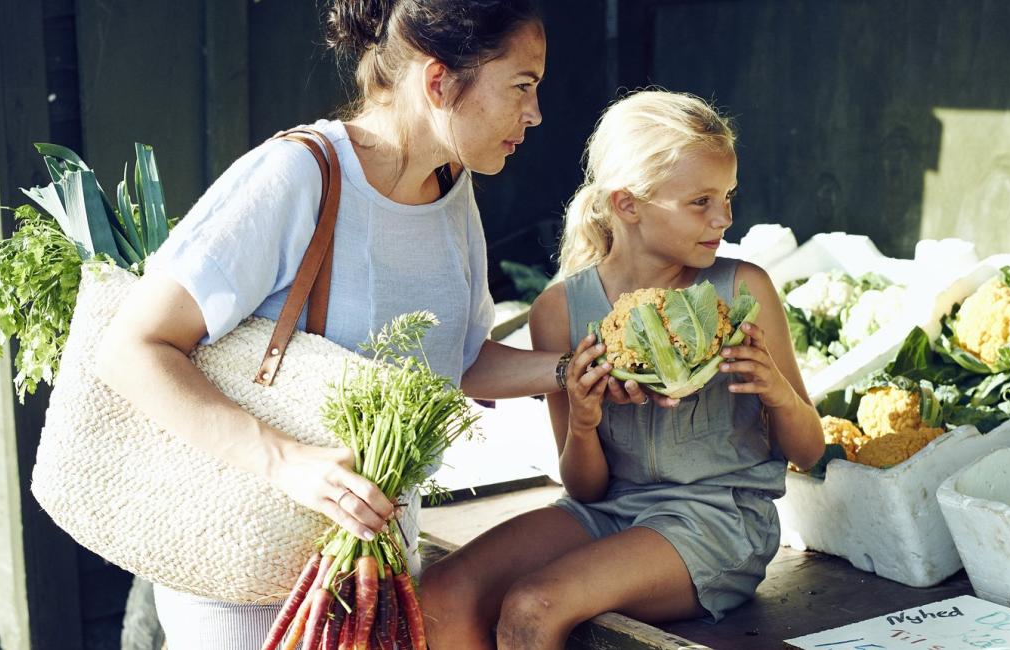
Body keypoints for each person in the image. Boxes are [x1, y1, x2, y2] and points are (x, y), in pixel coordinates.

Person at [91, 1, 649, 647]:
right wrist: (289, 464)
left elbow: (456, 362)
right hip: (251, 571)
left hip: (373, 564)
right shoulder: (296, 175)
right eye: (522, 85)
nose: (536, 113)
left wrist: (572, 370)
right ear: (439, 81)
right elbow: (132, 348)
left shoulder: (451, 193)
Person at [419, 90, 826, 650]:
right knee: (439, 592)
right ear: (628, 204)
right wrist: (583, 422)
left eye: (727, 197)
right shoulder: (560, 310)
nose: (724, 218)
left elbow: (810, 453)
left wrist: (776, 393)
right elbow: (585, 490)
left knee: (534, 606)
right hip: (606, 513)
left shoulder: (742, 287)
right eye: (700, 201)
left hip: (718, 523)